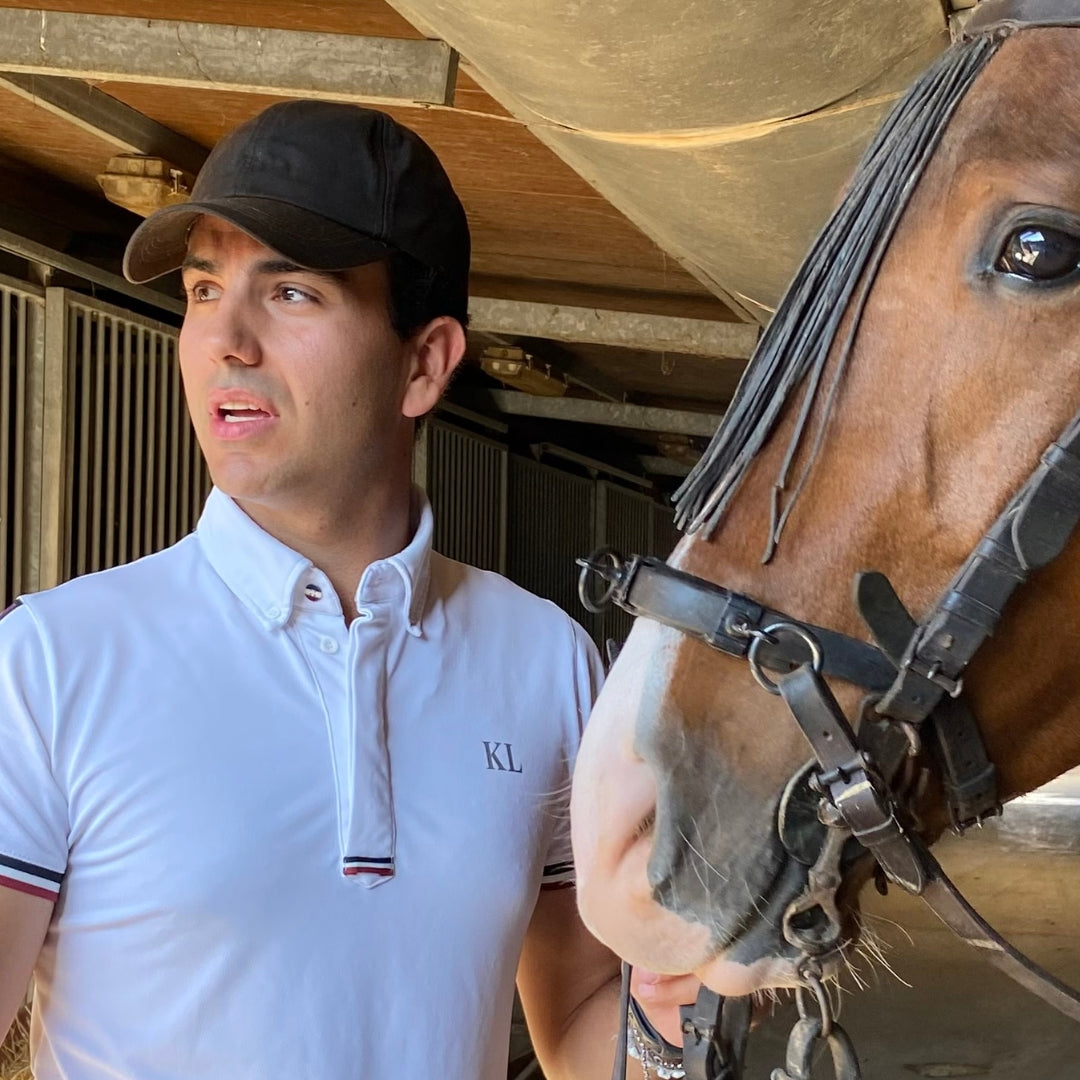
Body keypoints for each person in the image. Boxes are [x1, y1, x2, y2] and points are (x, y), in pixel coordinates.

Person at [0, 100, 694, 1079]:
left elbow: (583, 1021)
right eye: (204, 290)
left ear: (424, 364)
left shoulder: (544, 663)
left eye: (291, 296)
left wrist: (687, 1004)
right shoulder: (50, 666)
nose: (225, 341)